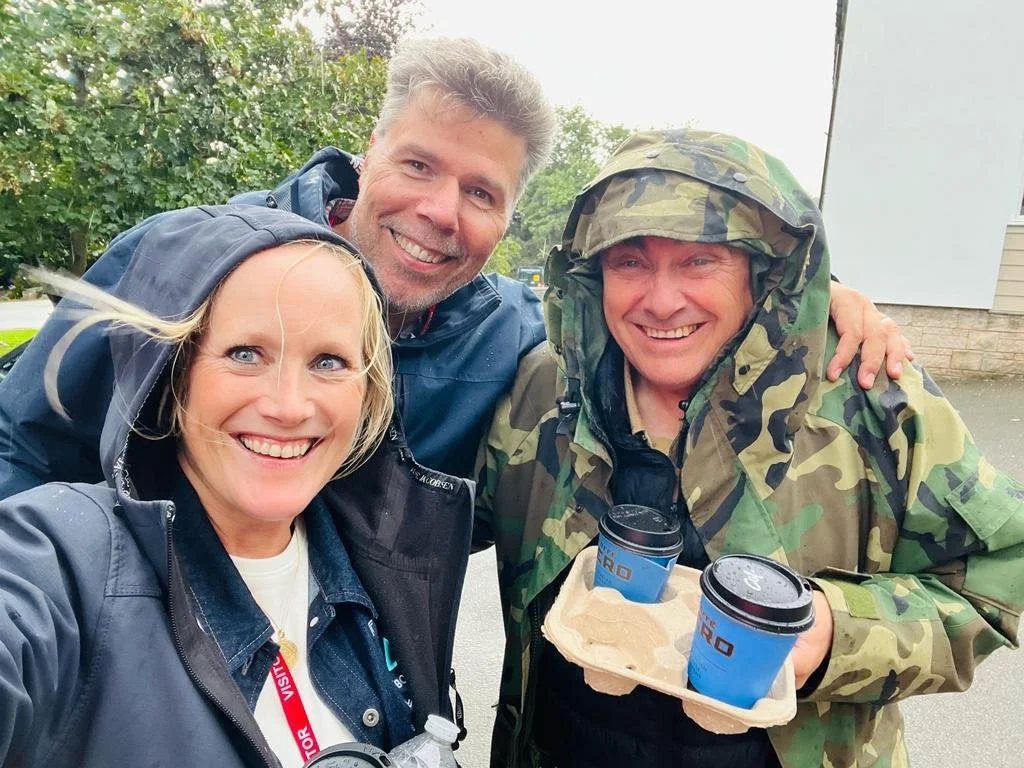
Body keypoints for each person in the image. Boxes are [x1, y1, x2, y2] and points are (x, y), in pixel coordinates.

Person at [0, 37, 909, 498]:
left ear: (510, 217)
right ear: (369, 150)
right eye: (421, 166)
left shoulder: (513, 337)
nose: (441, 213)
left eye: (482, 192)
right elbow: (21, 441)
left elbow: (647, 316)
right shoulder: (178, 263)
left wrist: (804, 294)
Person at [475, 128, 1024, 768]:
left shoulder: (867, 398)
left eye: (699, 260)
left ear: (759, 271)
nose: (660, 300)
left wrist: (832, 633)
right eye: (630, 260)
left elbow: (993, 589)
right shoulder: (544, 385)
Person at [0, 205, 475, 767]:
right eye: (245, 354)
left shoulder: (384, 559)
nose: (289, 406)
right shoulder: (64, 560)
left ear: (367, 391)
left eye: (328, 361)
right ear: (176, 373)